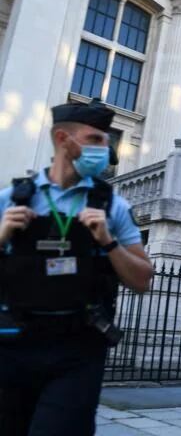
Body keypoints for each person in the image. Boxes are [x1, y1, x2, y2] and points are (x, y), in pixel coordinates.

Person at [0, 99, 154, 436]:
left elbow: (143, 280)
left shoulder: (113, 205)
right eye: (95, 139)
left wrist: (109, 241)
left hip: (78, 348)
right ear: (62, 138)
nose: (105, 148)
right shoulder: (11, 198)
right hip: (13, 343)